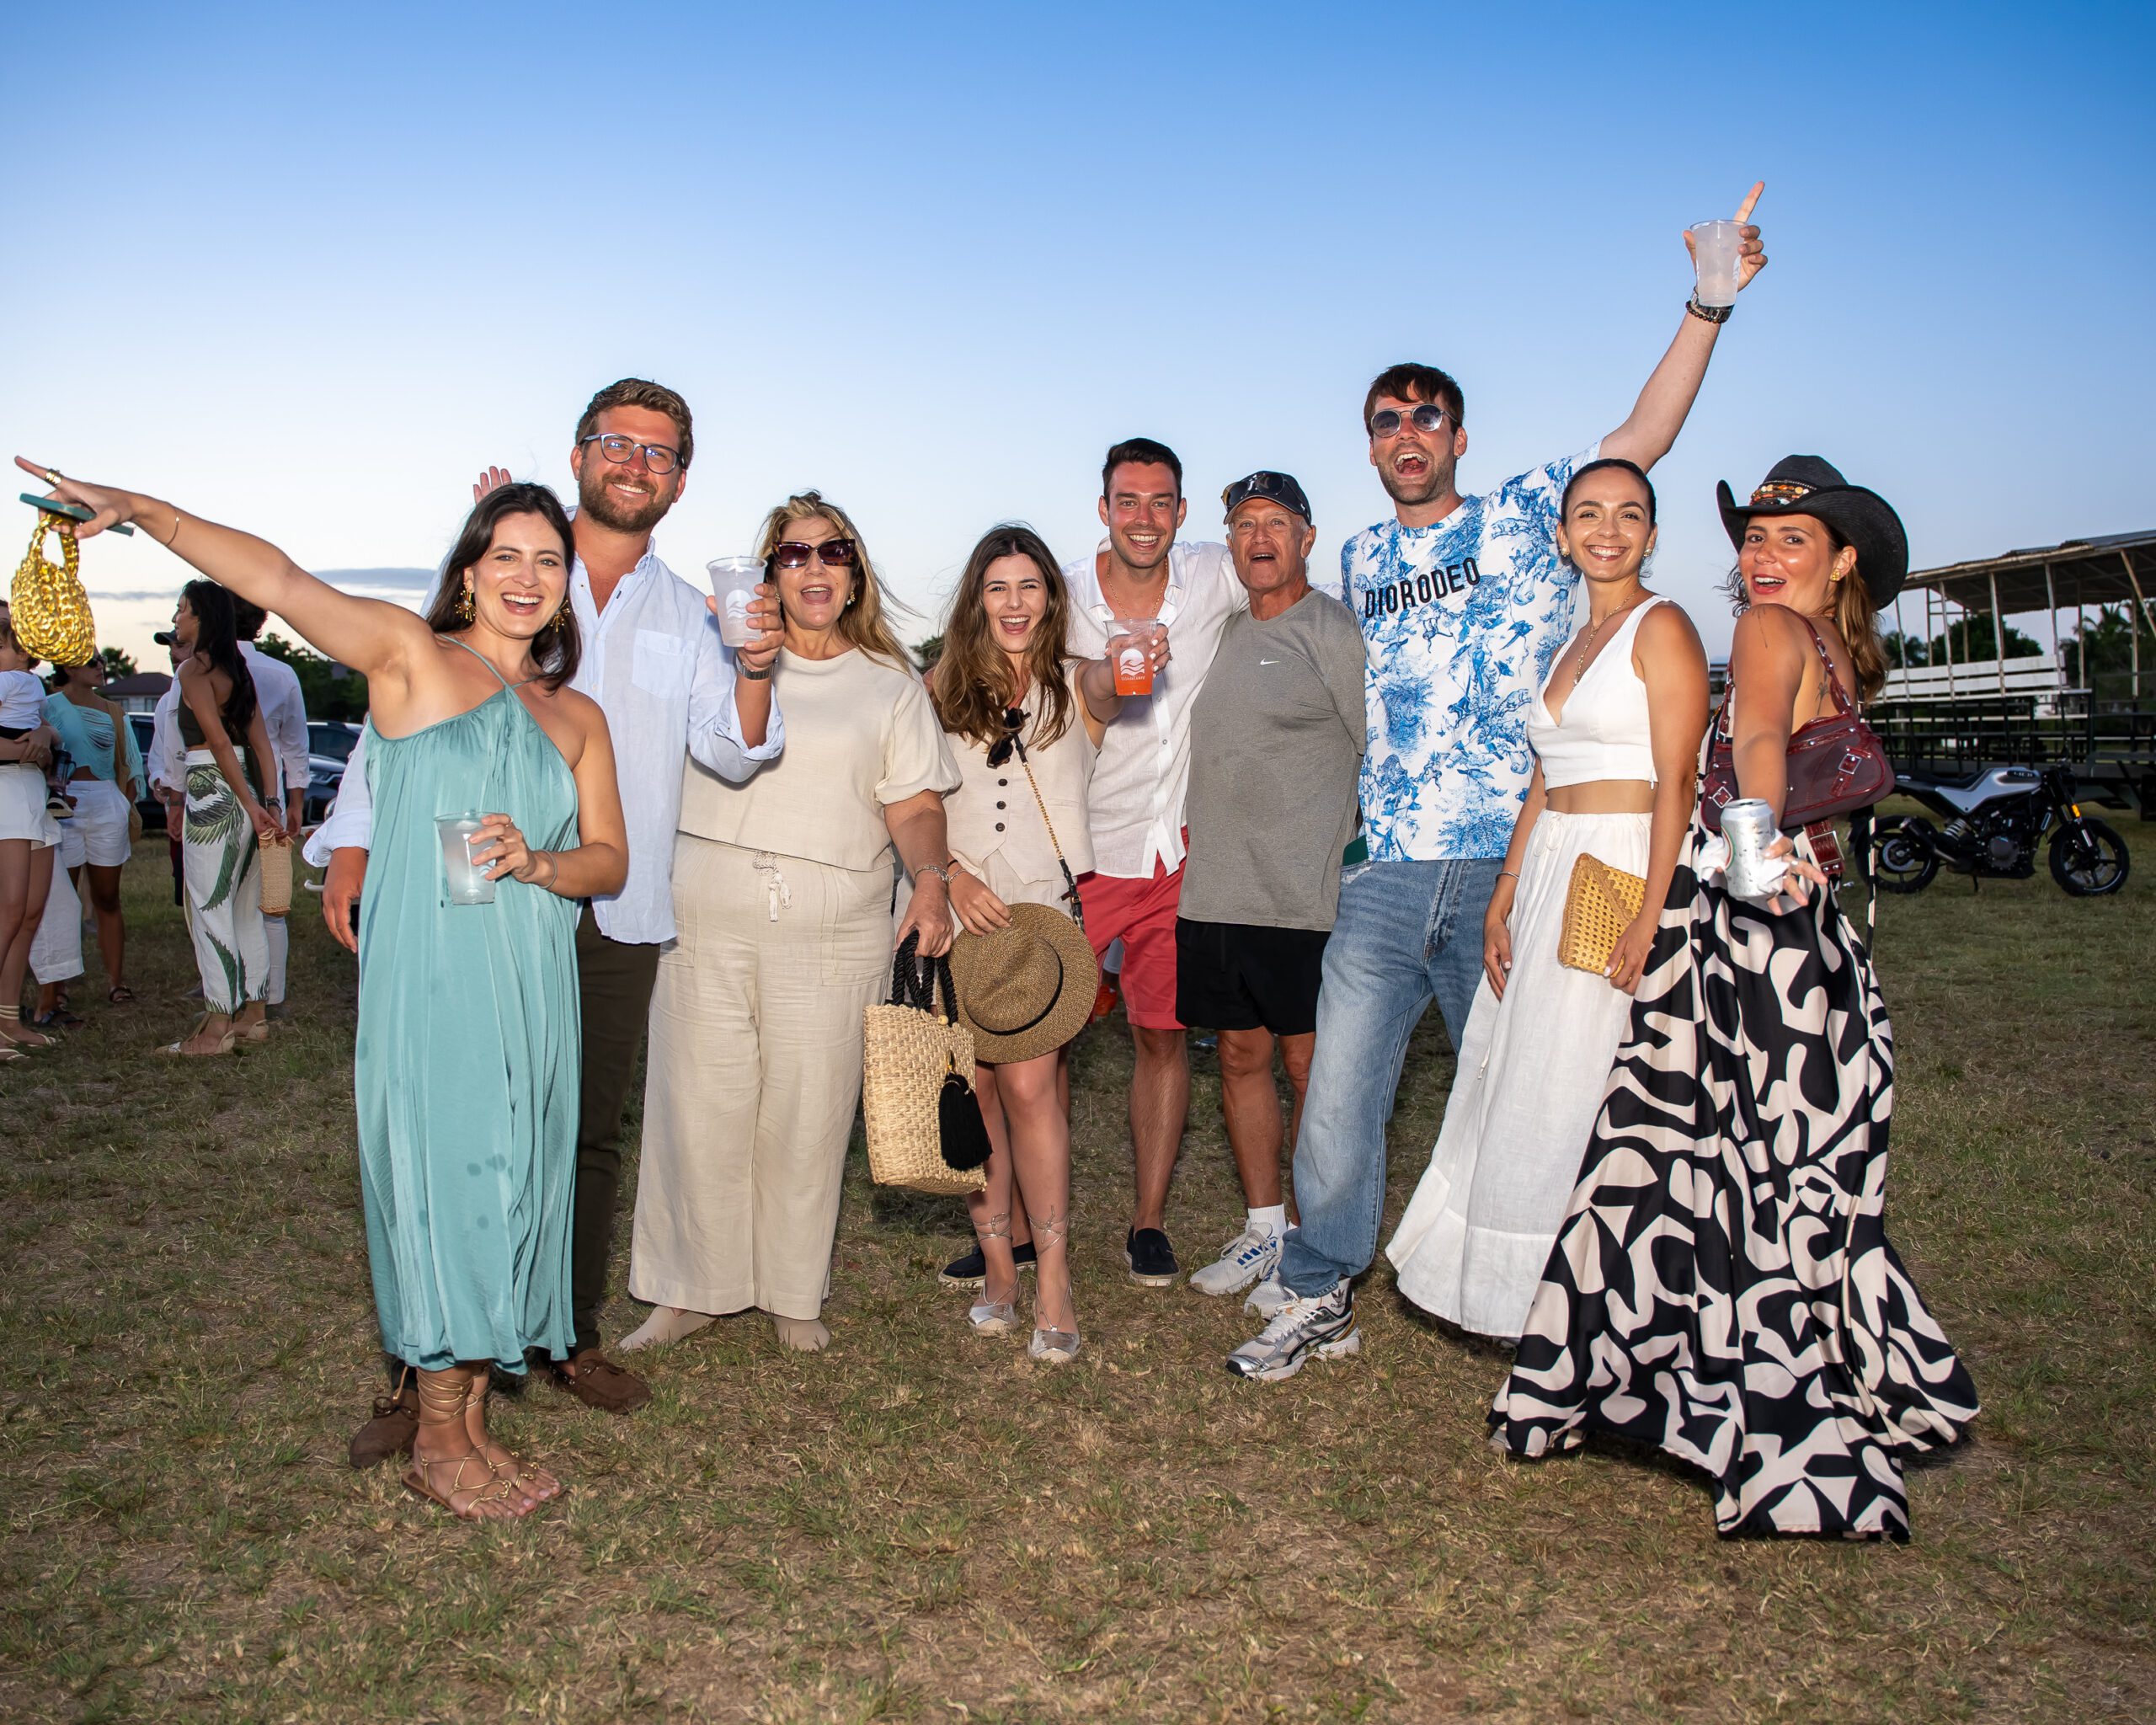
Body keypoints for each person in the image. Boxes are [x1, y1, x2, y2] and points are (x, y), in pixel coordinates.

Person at [23, 455, 630, 1521]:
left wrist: (539, 861)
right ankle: (439, 1434)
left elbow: (609, 861)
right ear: (471, 570)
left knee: (517, 1179)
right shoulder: (408, 658)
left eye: (548, 559)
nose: (526, 576)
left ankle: (475, 1420)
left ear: (565, 583)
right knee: (452, 1176)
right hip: (440, 977)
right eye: (506, 556)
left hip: (533, 976)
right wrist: (151, 513)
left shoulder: (575, 717)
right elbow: (283, 580)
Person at [1228, 190, 1769, 1381]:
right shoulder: (1362, 558)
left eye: (1428, 418)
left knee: (1545, 1097)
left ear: (1459, 439)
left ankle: (1575, 1304)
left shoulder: (1533, 515)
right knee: (1337, 1107)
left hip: (1516, 868)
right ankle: (1320, 1291)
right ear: (1369, 445)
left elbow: (1644, 433)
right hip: (1386, 870)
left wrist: (1708, 303)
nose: (1407, 435)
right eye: (1386, 422)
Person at [1491, 457, 1978, 1540]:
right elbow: (1787, 758)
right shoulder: (1830, 650)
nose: (1762, 558)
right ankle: (1749, 1381)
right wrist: (1774, 854)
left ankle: (1681, 1386)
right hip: (1807, 943)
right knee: (1771, 1177)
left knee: (1692, 1163)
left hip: (1753, 934)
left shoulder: (1773, 636)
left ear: (1841, 559)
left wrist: (1752, 850)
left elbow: (1753, 740)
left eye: (1791, 539)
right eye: (1754, 540)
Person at [310, 379, 783, 1455]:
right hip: (470, 901)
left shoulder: (692, 611)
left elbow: (733, 744)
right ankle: (419, 1369)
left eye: (660, 453)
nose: (637, 464)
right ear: (580, 456)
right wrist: (350, 839)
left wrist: (755, 667)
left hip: (611, 904)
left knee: (577, 1132)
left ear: (679, 477)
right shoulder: (514, 565)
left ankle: (560, 1334)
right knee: (446, 1124)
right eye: (619, 444)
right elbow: (417, 707)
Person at [625, 492, 956, 1356]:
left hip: (834, 920)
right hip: (705, 901)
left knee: (808, 1114)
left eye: (832, 552)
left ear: (854, 575)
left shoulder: (889, 685)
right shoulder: (713, 659)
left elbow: (916, 803)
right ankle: (687, 1288)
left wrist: (930, 879)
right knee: (698, 1100)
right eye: (793, 553)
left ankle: (790, 1291)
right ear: (766, 574)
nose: (814, 567)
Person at [1385, 458, 1707, 1340]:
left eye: (1629, 514)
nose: (1608, 529)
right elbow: (1539, 779)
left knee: (1577, 1075)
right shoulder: (1570, 643)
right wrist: (1506, 889)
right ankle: (1508, 1283)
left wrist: (1652, 913)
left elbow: (1677, 777)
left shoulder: (1662, 625)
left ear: (1650, 533)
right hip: (1551, 861)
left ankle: (1586, 1295)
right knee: (1514, 1067)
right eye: (1589, 514)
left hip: (1621, 858)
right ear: (1561, 537)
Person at [931, 523, 1134, 1361]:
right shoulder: (935, 689)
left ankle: (1052, 1273)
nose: (1015, 603)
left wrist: (1131, 658)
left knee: (1032, 1094)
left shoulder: (1075, 684)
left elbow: (1118, 681)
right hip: (953, 917)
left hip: (1038, 930)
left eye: (1030, 586)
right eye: (997, 587)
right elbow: (902, 800)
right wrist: (946, 873)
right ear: (976, 599)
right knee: (972, 1096)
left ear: (1052, 597)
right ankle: (997, 1267)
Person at [1055, 437, 1248, 1290]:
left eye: (1161, 501)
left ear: (1181, 510)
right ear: (1103, 509)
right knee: (1035, 1040)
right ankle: (1028, 1225)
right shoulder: (1056, 593)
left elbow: (1283, 558)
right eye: (1127, 501)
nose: (1144, 517)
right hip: (1077, 850)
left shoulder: (1211, 575)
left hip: (1175, 851)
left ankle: (1147, 1220)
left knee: (1162, 1034)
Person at [1175, 473, 1366, 1300]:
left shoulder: (1332, 629)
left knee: (1310, 1070)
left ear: (1306, 538)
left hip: (1307, 895)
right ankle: (1264, 1229)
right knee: (1241, 1056)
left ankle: (1317, 1252)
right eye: (1244, 523)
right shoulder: (1214, 631)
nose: (1259, 536)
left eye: (1276, 523)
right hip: (1217, 888)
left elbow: (1378, 754)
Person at [164, 579, 282, 1056]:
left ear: (203, 617)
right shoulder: (239, 672)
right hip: (247, 790)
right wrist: (266, 803)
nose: (176, 620)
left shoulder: (194, 671)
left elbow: (215, 742)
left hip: (212, 789)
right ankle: (254, 1015)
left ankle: (216, 1026)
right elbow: (261, 746)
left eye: (182, 610)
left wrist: (253, 805)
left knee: (210, 908)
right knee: (246, 909)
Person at [41, 651, 147, 1005]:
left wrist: (122, 804)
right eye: (92, 662)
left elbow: (130, 763)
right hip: (63, 803)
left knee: (107, 897)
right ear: (69, 667)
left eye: (101, 661)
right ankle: (56, 988)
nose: (100, 667)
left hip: (105, 801)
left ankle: (116, 982)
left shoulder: (113, 711)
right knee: (62, 899)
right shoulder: (47, 706)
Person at [232, 599, 311, 1017]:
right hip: (272, 800)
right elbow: (296, 744)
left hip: (217, 796)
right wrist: (294, 802)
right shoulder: (282, 674)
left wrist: (174, 795)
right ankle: (272, 996)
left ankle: (230, 993)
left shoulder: (195, 673)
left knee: (223, 899)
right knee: (272, 902)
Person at [0, 611, 61, 1059]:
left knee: (30, 915)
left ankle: (8, 1020)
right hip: (4, 792)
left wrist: (44, 733)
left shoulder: (28, 686)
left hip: (34, 793)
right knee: (9, 910)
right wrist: (29, 745)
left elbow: (51, 732)